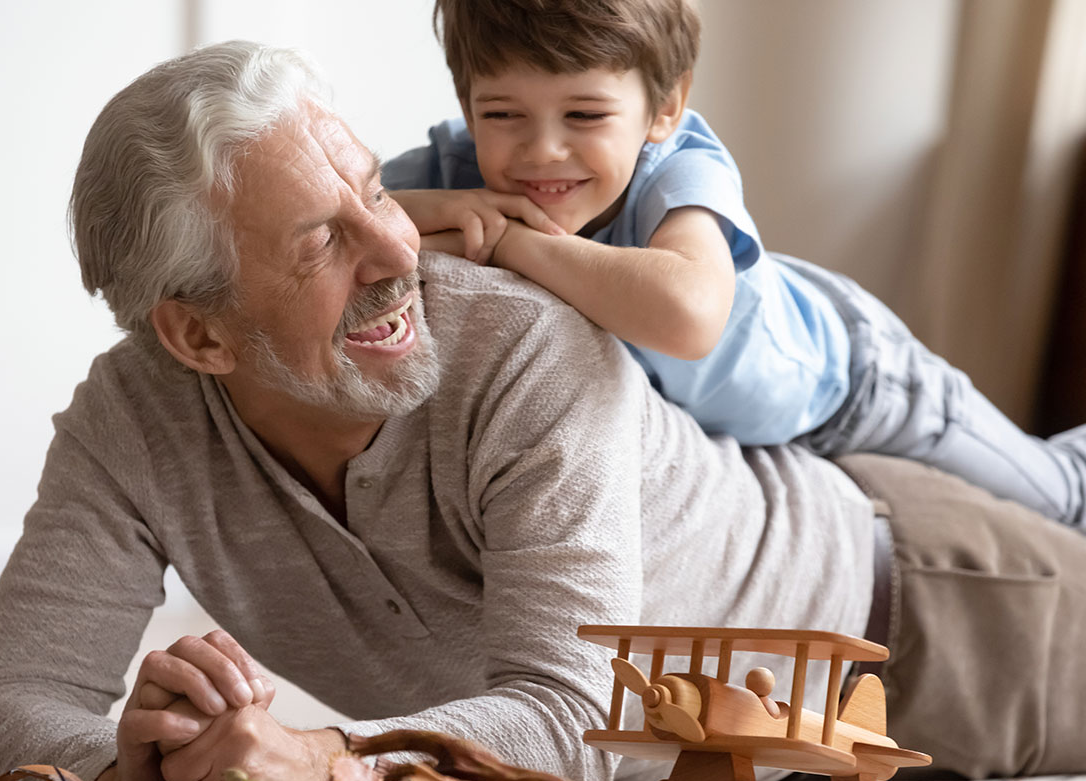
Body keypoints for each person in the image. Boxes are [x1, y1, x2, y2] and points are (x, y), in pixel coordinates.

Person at [0, 41, 1086, 781]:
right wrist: (137, 764)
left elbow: (561, 717)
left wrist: (318, 761)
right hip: (742, 729)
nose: (401, 250)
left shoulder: (526, 350)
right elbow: (6, 701)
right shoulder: (129, 418)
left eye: (373, 191)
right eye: (318, 243)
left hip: (935, 605)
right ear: (197, 338)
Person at [383, 0, 1086, 533]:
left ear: (665, 107)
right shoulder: (456, 171)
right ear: (469, 107)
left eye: (586, 116)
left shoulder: (679, 166)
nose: (541, 151)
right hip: (757, 435)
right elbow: (321, 222)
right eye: (503, 113)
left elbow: (686, 318)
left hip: (858, 386)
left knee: (1056, 497)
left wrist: (509, 241)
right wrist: (428, 207)